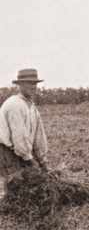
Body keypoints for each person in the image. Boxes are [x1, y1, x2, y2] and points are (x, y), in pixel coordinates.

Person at [0, 68, 48, 199]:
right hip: (6, 151)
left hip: (20, 150)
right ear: (20, 85)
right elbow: (19, 137)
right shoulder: (15, 105)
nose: (33, 86)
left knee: (26, 186)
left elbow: (39, 136)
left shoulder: (32, 107)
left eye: (35, 83)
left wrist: (43, 162)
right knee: (11, 187)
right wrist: (30, 159)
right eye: (29, 83)